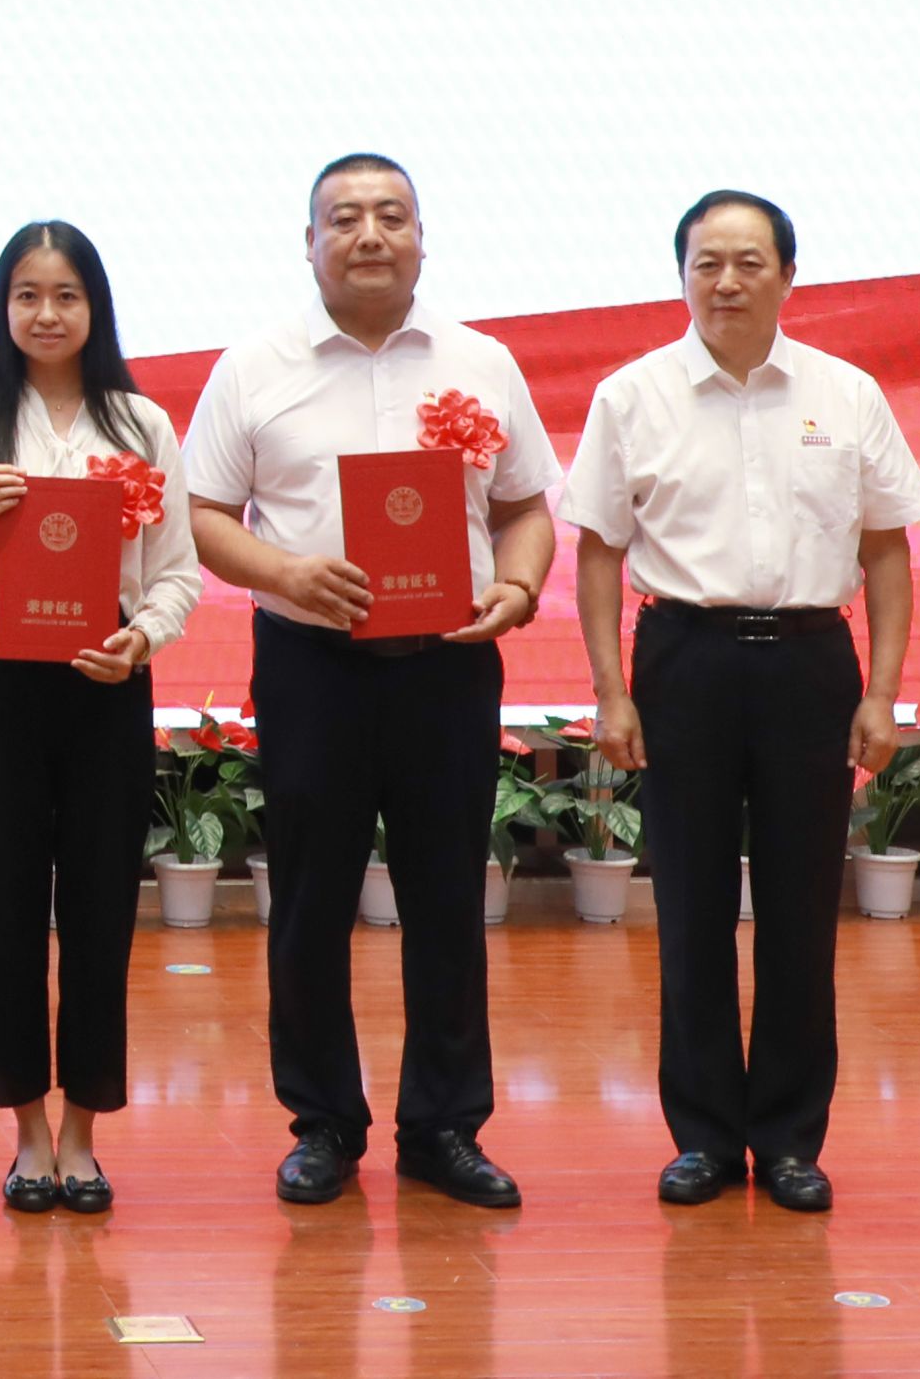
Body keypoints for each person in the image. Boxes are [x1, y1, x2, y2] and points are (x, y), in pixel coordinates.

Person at [180, 154, 558, 1211]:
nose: (369, 235)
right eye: (343, 218)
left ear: (422, 238)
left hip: (447, 665)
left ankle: (444, 1127)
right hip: (314, 666)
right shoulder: (254, 367)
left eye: (391, 215)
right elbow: (202, 513)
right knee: (310, 902)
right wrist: (284, 572)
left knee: (447, 898)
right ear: (308, 244)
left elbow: (526, 506)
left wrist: (519, 585)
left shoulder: (482, 362)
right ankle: (323, 1125)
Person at [566, 189, 920, 1217]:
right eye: (707, 264)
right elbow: (597, 553)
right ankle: (701, 1138)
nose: (726, 282)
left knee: (800, 912)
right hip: (683, 659)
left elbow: (887, 551)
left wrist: (883, 692)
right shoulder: (632, 396)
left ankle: (788, 1140)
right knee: (688, 909)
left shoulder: (846, 393)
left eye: (748, 263)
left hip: (810, 664)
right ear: (682, 276)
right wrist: (609, 692)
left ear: (788, 276)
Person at [0, 222, 201, 1216]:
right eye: (27, 295)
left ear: (94, 307)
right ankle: (27, 1135)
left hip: (105, 678)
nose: (46, 314)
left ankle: (82, 1135)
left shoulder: (141, 425)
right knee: (3, 913)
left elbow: (175, 573)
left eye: (66, 295)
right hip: (1, 680)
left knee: (98, 912)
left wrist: (141, 640)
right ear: (3, 308)